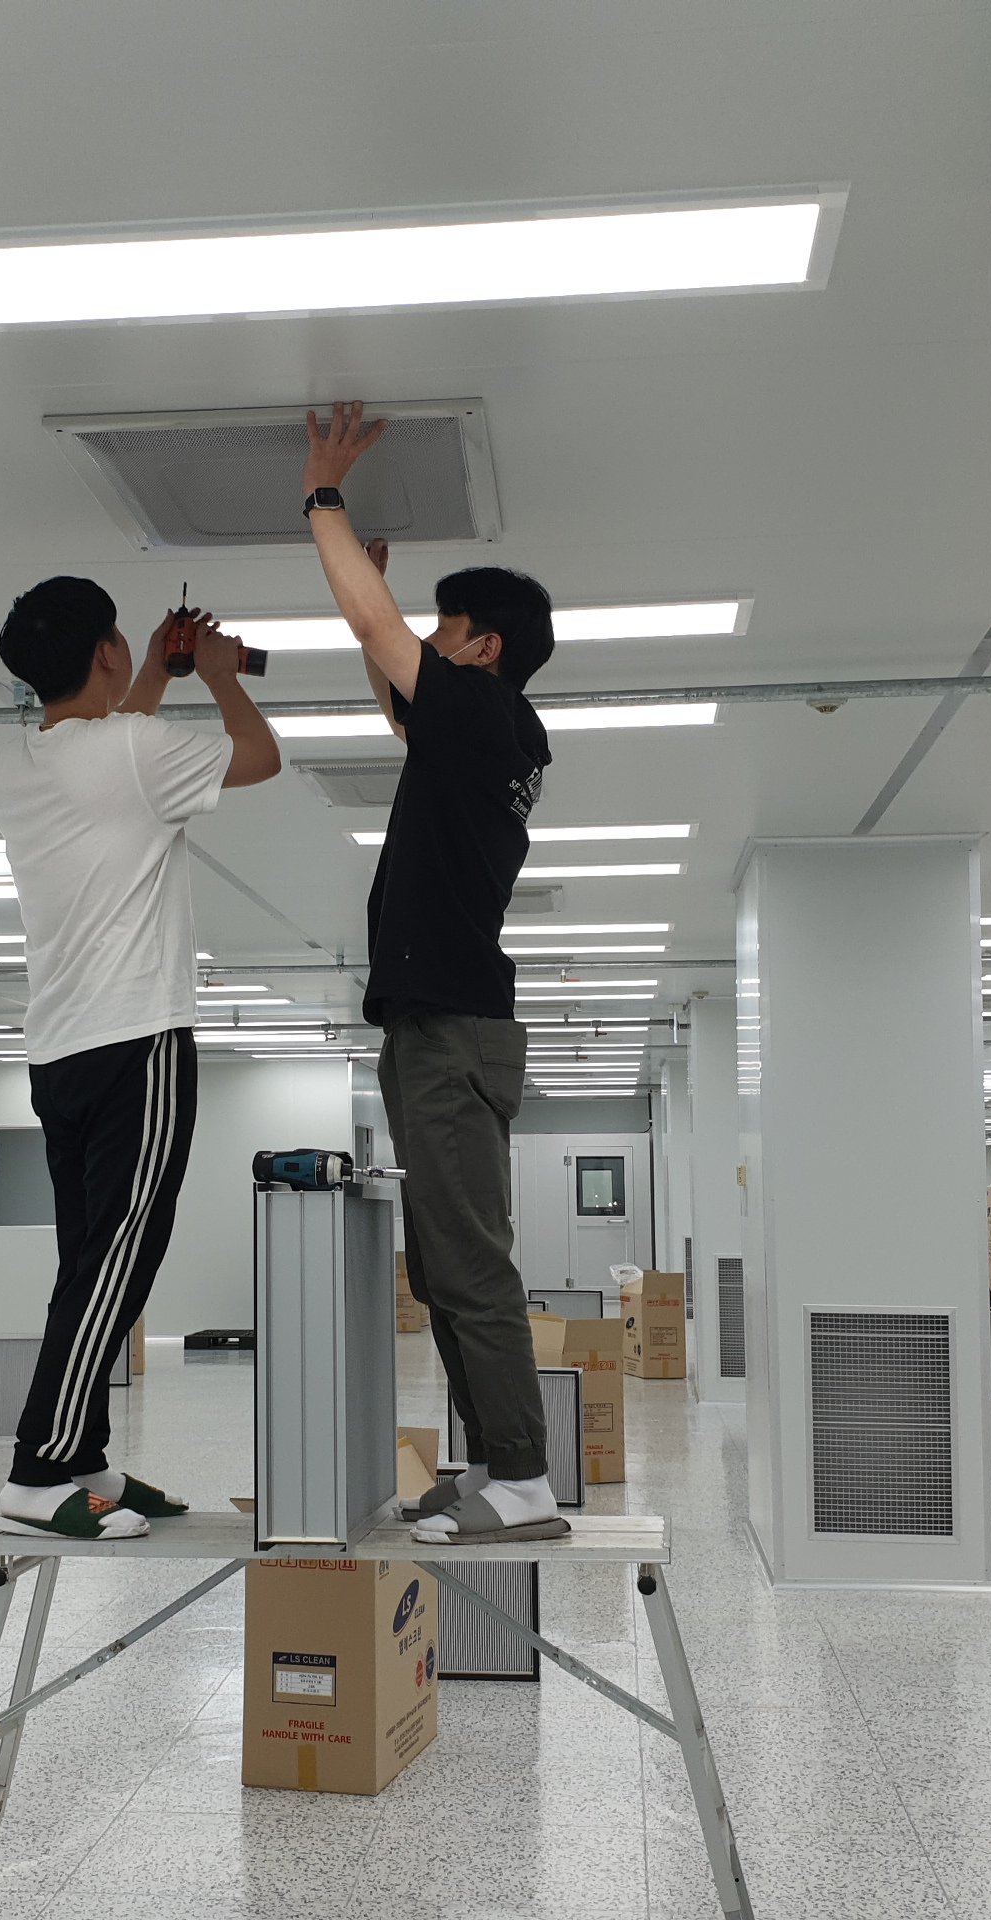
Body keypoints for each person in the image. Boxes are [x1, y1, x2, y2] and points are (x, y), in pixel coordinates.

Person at [300, 401, 568, 1545]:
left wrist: (324, 502)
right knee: (442, 1268)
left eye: (445, 629)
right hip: (435, 1026)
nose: (430, 641)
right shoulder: (487, 733)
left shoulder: (489, 717)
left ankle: (525, 1480)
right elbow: (396, 684)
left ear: (482, 647)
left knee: (470, 1265)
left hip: (453, 1029)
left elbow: (379, 634)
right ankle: (494, 1465)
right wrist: (375, 602)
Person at [0, 577, 281, 1537]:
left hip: (60, 1050)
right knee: (118, 1260)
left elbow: (115, 747)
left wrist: (153, 669)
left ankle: (84, 1457)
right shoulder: (133, 750)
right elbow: (261, 757)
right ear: (106, 651)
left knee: (90, 1262)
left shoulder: (16, 764)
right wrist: (222, 676)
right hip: (136, 1039)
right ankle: (36, 1473)